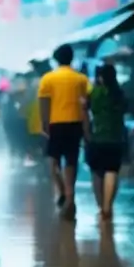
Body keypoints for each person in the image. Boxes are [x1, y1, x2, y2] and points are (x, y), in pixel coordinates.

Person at [38, 44, 91, 219]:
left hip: (55, 124)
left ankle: (61, 190)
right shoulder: (81, 79)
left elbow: (44, 103)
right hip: (75, 123)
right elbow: (87, 101)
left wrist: (44, 123)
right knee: (71, 161)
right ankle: (70, 196)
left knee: (53, 162)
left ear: (56, 59)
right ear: (71, 58)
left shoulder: (47, 79)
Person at [85, 63, 127, 222]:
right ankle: (108, 206)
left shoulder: (94, 93)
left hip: (96, 138)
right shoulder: (119, 93)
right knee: (112, 171)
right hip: (116, 138)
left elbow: (86, 109)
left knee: (96, 172)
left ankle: (101, 206)